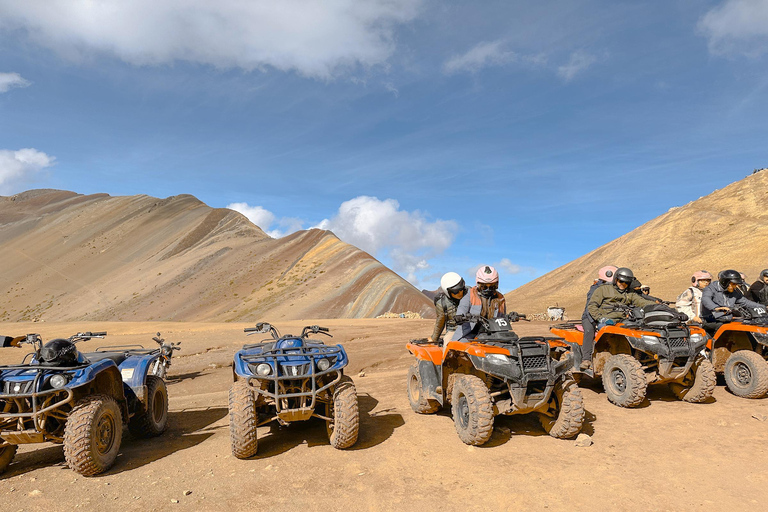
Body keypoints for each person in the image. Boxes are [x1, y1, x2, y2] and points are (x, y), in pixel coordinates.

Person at [585, 267, 656, 370]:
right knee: (609, 334)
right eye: (621, 281)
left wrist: (656, 305)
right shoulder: (603, 290)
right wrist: (601, 319)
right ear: (616, 279)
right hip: (605, 320)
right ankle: (592, 359)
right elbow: (592, 306)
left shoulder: (629, 294)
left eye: (626, 282)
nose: (623, 284)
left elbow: (641, 301)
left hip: (622, 321)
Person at [700, 269, 763, 334]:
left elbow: (746, 302)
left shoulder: (734, 292)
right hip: (710, 321)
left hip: (727, 320)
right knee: (726, 329)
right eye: (733, 284)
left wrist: (763, 307)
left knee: (746, 327)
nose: (735, 287)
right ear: (725, 282)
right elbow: (706, 299)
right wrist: (716, 308)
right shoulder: (710, 288)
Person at [454, 265, 506, 341]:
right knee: (458, 348)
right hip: (469, 334)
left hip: (493, 334)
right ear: (478, 284)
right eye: (484, 287)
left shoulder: (500, 298)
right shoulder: (470, 294)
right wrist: (460, 316)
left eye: (492, 286)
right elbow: (462, 308)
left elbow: (502, 317)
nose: (488, 289)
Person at [580, 265, 617, 370]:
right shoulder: (595, 289)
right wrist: (598, 320)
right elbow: (590, 307)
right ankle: (586, 358)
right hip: (590, 317)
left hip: (607, 317)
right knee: (589, 330)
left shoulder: (614, 289)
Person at [429, 272, 469, 343]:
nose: (460, 293)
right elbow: (440, 322)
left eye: (461, 289)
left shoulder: (471, 293)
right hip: (453, 331)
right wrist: (434, 338)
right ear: (448, 292)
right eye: (456, 292)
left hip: (472, 329)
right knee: (449, 347)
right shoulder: (442, 303)